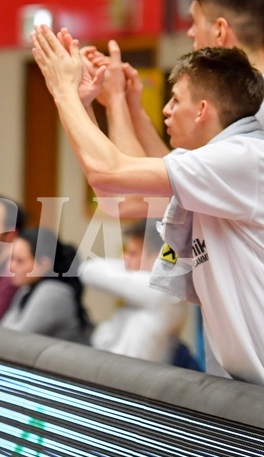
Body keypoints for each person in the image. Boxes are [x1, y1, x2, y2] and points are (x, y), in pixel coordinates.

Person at [31, 26, 264, 385]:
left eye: (174, 100)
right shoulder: (219, 166)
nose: (166, 110)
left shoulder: (243, 157)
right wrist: (101, 103)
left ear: (202, 109)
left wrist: (63, 91)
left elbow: (110, 175)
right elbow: (124, 196)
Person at [80, 0, 264, 217]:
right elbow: (177, 175)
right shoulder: (237, 100)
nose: (189, 33)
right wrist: (132, 108)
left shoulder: (247, 108)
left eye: (194, 22)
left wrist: (109, 98)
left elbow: (133, 199)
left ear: (220, 30)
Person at [81, 219, 190, 364]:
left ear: (157, 258)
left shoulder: (165, 291)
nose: (124, 259)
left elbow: (87, 270)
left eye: (133, 253)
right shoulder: (141, 289)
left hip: (131, 382)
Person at [0, 227, 92, 344]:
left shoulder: (54, 293)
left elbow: (14, 340)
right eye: (11, 258)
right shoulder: (28, 288)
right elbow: (2, 330)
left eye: (20, 261)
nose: (11, 267)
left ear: (44, 264)